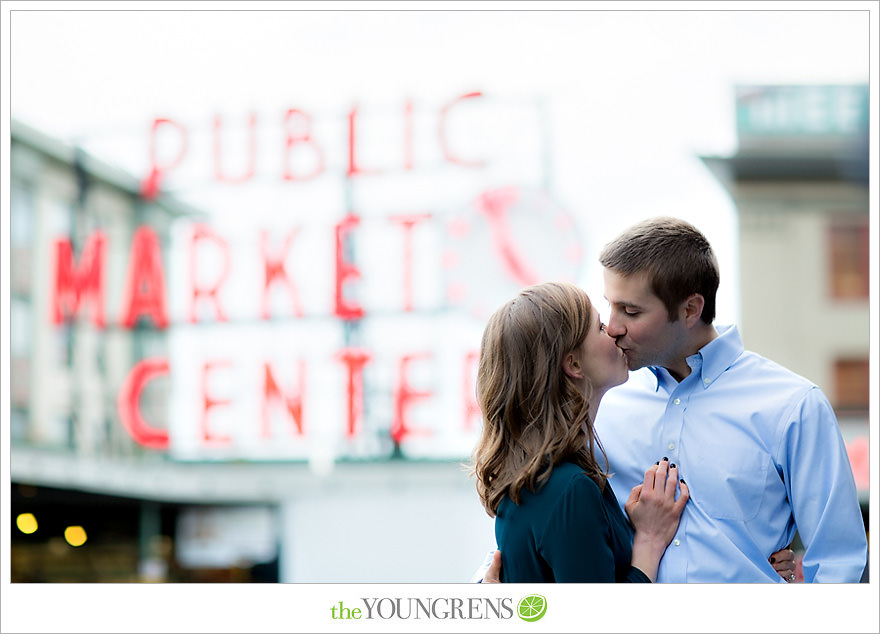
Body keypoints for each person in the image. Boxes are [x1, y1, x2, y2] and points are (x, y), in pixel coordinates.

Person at [481, 216, 866, 583]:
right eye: (609, 307)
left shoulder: (793, 407)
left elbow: (838, 562)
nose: (613, 327)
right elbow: (544, 518)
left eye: (630, 311)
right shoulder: (600, 403)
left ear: (690, 310)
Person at [471, 281, 689, 582]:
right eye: (599, 327)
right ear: (573, 363)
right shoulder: (569, 488)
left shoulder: (534, 476)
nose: (613, 331)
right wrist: (649, 542)